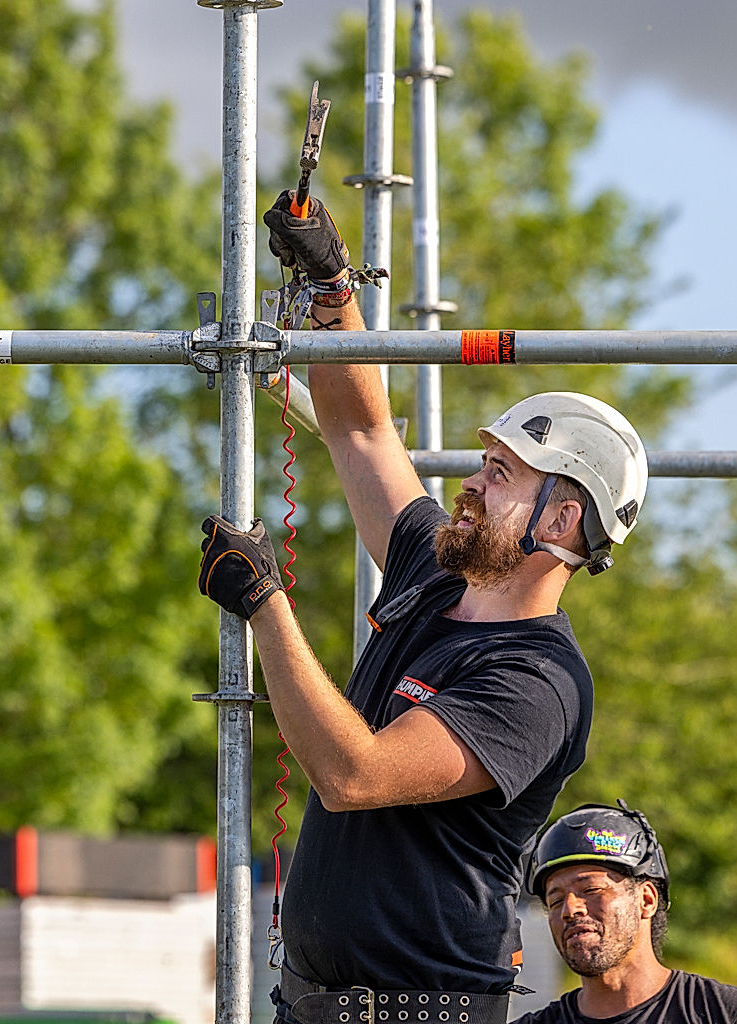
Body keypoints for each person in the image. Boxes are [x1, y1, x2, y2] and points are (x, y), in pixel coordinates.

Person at [197, 190, 649, 1024]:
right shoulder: (438, 572)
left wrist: (268, 606)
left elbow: (354, 775)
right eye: (485, 461)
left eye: (503, 474)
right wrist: (336, 292)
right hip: (311, 1005)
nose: (471, 484)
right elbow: (363, 434)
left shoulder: (538, 682)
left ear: (561, 521)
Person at [518, 801, 737, 1024]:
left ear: (647, 899)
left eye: (591, 889)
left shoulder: (732, 1015)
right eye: (555, 900)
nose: (570, 909)